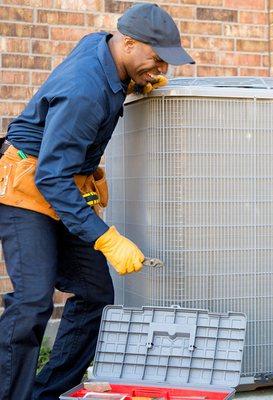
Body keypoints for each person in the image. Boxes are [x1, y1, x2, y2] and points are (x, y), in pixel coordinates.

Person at [0, 3, 194, 399]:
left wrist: (136, 80)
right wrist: (105, 237)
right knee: (33, 301)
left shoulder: (104, 49)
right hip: (28, 188)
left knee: (95, 293)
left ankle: (45, 393)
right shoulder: (84, 91)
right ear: (127, 43)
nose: (160, 69)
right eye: (155, 59)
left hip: (62, 183)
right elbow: (50, 177)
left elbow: (61, 171)